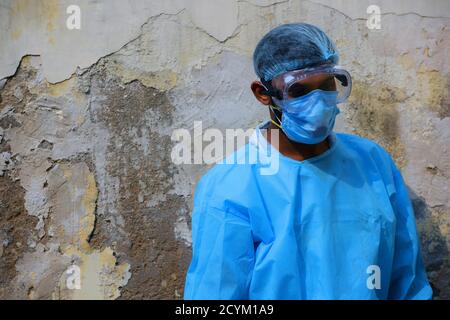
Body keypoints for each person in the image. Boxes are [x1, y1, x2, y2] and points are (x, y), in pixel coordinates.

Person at [183, 23, 433, 299]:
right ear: (263, 93)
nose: (318, 102)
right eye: (299, 90)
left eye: (326, 85)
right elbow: (216, 293)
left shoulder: (371, 163)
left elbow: (406, 279)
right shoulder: (232, 186)